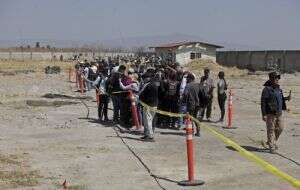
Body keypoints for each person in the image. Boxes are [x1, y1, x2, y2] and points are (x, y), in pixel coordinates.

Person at [261, 71, 291, 153]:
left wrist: (286, 98)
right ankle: (271, 146)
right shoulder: (266, 89)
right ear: (271, 79)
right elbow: (263, 102)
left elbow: (280, 98)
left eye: (278, 78)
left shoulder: (278, 89)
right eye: (275, 78)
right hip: (270, 113)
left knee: (280, 128)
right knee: (271, 129)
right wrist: (264, 114)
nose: (277, 79)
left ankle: (271, 141)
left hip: (279, 113)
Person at [139, 68, 159, 142]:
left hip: (149, 105)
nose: (143, 80)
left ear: (147, 78)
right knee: (146, 120)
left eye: (144, 79)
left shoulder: (150, 85)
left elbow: (149, 96)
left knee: (148, 121)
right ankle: (147, 134)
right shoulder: (151, 84)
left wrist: (143, 100)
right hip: (148, 105)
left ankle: (150, 136)